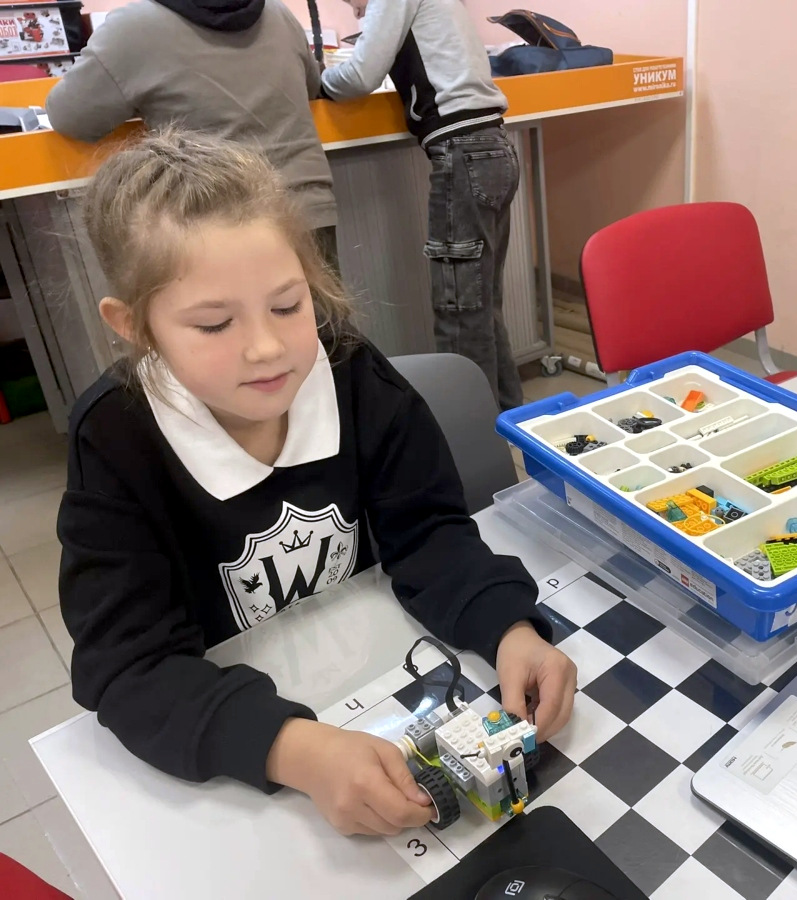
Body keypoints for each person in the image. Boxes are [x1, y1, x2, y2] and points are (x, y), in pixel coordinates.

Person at [57, 130, 576, 837]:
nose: (267, 347)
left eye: (287, 305)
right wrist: (295, 751)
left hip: (375, 672)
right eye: (214, 323)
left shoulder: (353, 374)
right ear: (134, 326)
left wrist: (508, 627)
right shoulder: (115, 440)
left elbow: (428, 533)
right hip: (236, 738)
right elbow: (129, 667)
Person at [320, 0, 524, 410]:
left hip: (462, 151)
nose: (356, 10)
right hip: (493, 146)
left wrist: (318, 79)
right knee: (481, 307)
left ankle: (471, 437)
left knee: (460, 314)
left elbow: (359, 76)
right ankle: (508, 422)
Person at [45, 0, 340, 270]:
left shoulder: (132, 29)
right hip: (306, 209)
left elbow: (70, 116)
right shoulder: (279, 13)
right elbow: (311, 86)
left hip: (213, 222)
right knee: (316, 311)